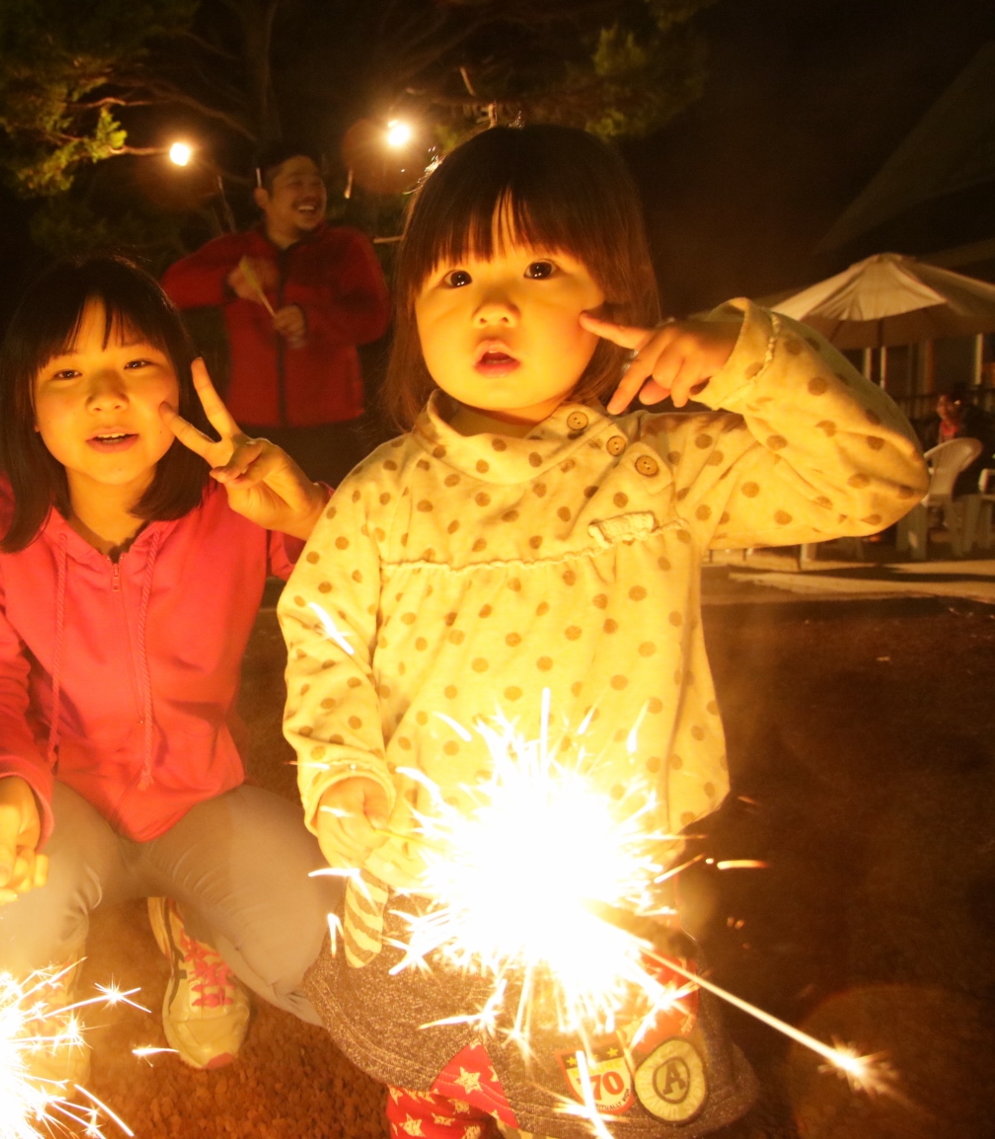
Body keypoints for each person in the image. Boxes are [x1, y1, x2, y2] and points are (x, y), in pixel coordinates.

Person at [279, 125, 928, 1138]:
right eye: (453, 276)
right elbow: (321, 643)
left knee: (615, 1105)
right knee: (441, 1078)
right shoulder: (382, 498)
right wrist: (344, 775)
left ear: (616, 298)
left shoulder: (659, 470)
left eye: (540, 266)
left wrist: (746, 357)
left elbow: (876, 478)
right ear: (413, 312)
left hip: (606, 899)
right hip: (424, 895)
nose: (492, 303)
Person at [0, 255, 340, 1081]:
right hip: (60, 798)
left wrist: (309, 515)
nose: (106, 396)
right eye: (68, 371)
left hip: (201, 799)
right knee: (3, 936)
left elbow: (368, 581)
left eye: (137, 363)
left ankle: (200, 927)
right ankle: (42, 1012)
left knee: (333, 967)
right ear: (28, 403)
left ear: (183, 387)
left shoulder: (233, 499)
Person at [161, 141, 390, 487]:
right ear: (263, 198)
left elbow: (374, 317)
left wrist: (312, 319)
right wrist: (228, 282)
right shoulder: (238, 251)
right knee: (257, 533)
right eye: (295, 182)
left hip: (332, 430)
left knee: (335, 527)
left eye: (316, 182)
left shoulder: (345, 248)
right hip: (250, 429)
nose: (310, 191)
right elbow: (172, 286)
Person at [918, 383, 995, 495]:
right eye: (940, 404)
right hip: (938, 475)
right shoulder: (933, 429)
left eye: (949, 404)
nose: (944, 409)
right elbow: (926, 453)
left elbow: (983, 454)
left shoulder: (975, 428)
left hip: (968, 477)